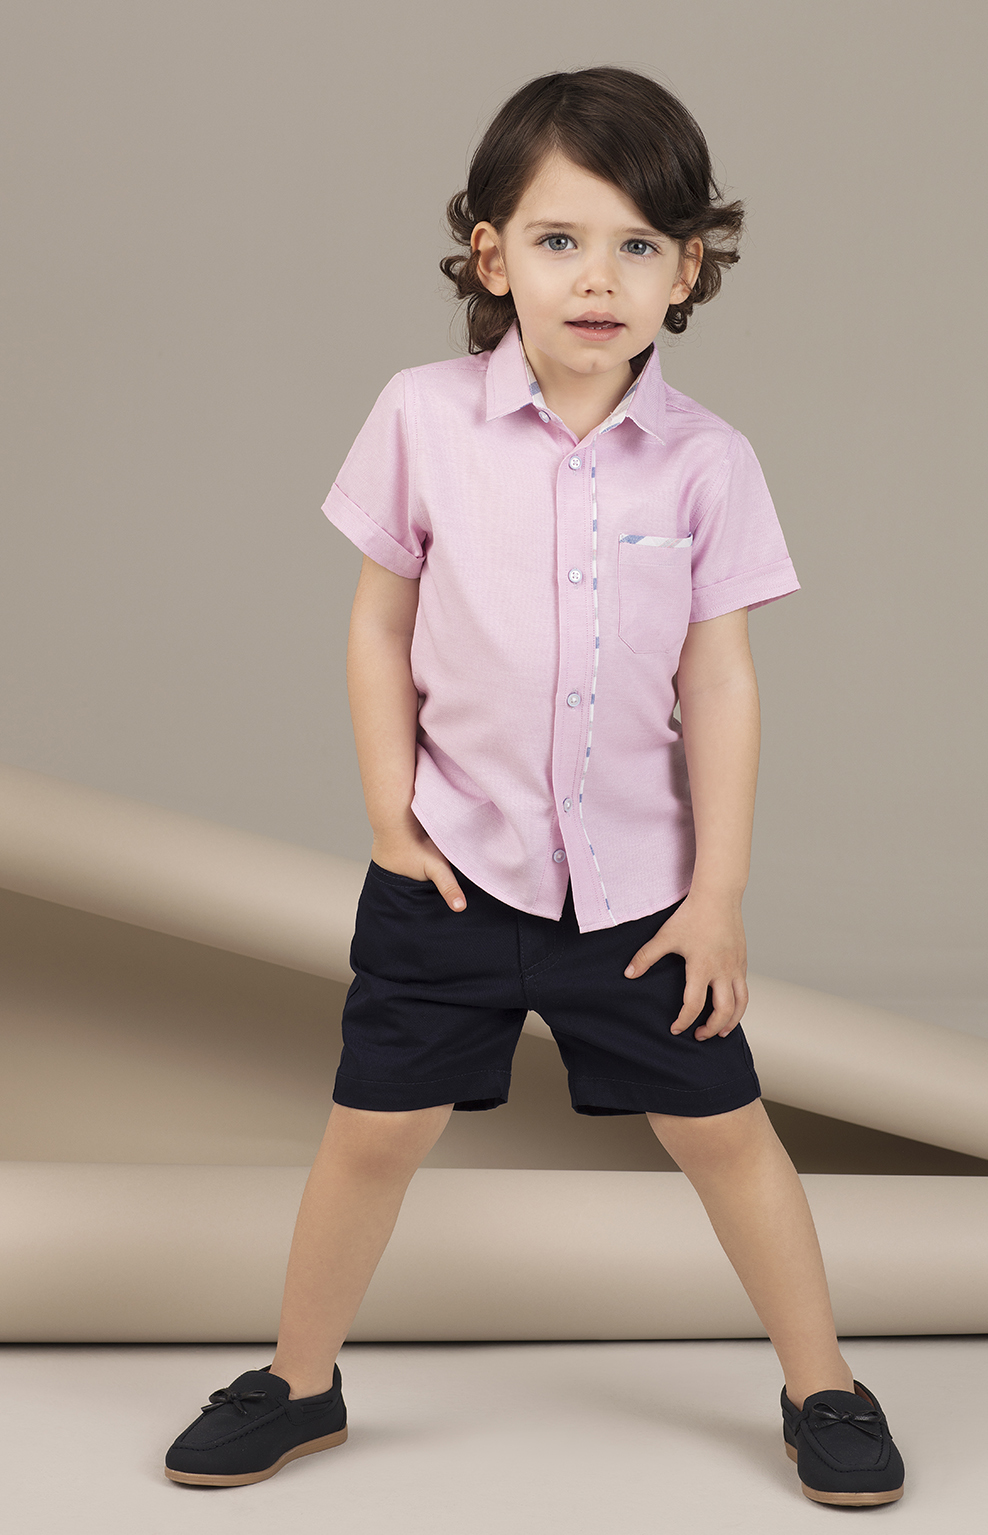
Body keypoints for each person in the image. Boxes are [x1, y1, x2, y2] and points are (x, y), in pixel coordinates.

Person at [164, 65, 905, 1507]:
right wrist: (390, 819)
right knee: (371, 1136)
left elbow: (721, 684)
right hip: (452, 869)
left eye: (639, 244)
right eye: (560, 240)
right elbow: (379, 626)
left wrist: (718, 894)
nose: (598, 278)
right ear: (492, 255)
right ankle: (297, 1382)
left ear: (688, 270)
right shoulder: (421, 417)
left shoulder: (707, 463)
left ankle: (824, 1385)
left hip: (640, 897)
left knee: (726, 1137)